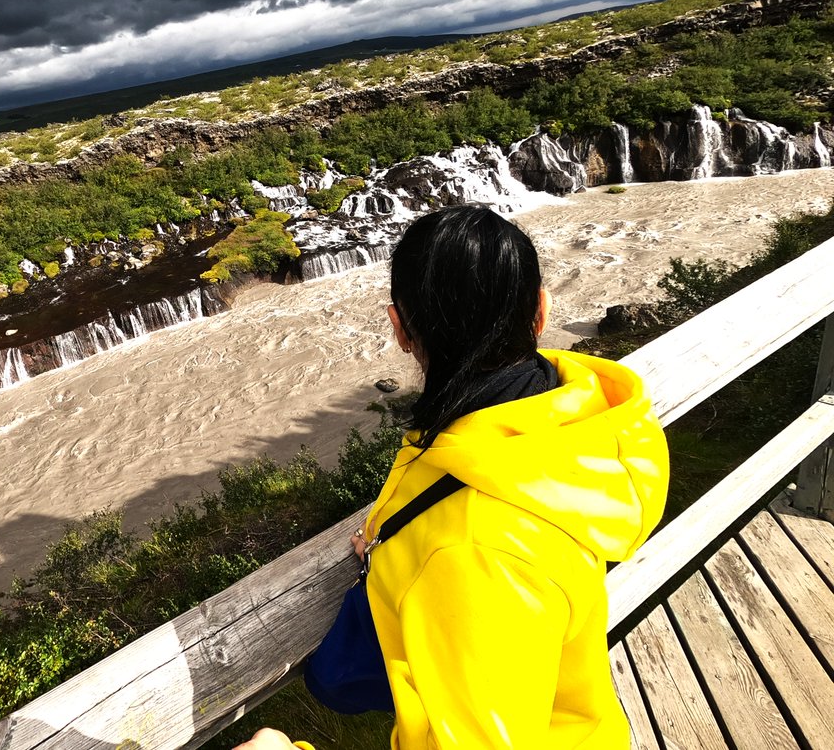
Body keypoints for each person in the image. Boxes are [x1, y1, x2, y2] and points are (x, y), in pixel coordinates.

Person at [234, 206, 669, 749]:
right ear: (540, 310)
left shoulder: (474, 553)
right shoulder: (560, 432)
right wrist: (399, 541)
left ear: (399, 329)